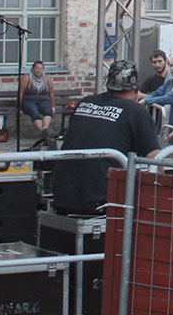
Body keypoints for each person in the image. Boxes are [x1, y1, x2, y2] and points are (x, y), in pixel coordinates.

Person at [52, 60, 159, 215]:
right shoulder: (136, 111)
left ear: (108, 86)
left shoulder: (85, 102)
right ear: (136, 89)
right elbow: (155, 157)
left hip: (62, 196)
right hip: (101, 200)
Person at [18, 61, 55, 141]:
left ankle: (45, 128)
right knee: (34, 111)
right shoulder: (27, 77)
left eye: (41, 69)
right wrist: (19, 108)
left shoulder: (47, 78)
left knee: (47, 110)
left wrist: (53, 107)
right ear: (33, 69)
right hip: (29, 101)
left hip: (43, 100)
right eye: (37, 68)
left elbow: (51, 94)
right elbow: (20, 93)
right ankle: (42, 131)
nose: (39, 71)